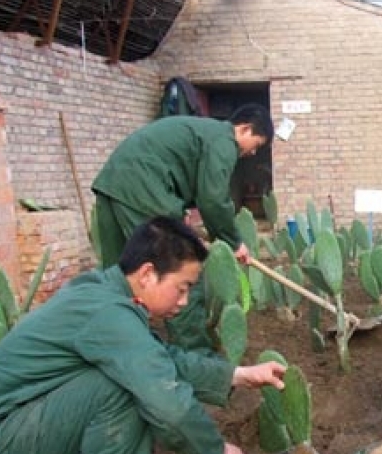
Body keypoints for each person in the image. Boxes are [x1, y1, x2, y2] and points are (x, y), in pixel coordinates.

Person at [0, 216, 288, 454]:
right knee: (124, 391)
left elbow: (158, 359)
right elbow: (165, 398)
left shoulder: (103, 294)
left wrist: (238, 375)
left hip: (5, 441)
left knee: (130, 377)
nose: (183, 302)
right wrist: (216, 448)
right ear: (148, 274)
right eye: (182, 288)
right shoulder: (109, 312)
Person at [91, 103, 274, 352]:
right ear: (244, 129)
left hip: (113, 182)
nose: (253, 153)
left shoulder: (204, 132)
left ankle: (109, 344)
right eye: (257, 144)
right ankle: (196, 355)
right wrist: (233, 241)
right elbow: (212, 199)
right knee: (181, 271)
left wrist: (178, 211)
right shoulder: (224, 140)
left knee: (119, 272)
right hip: (143, 186)